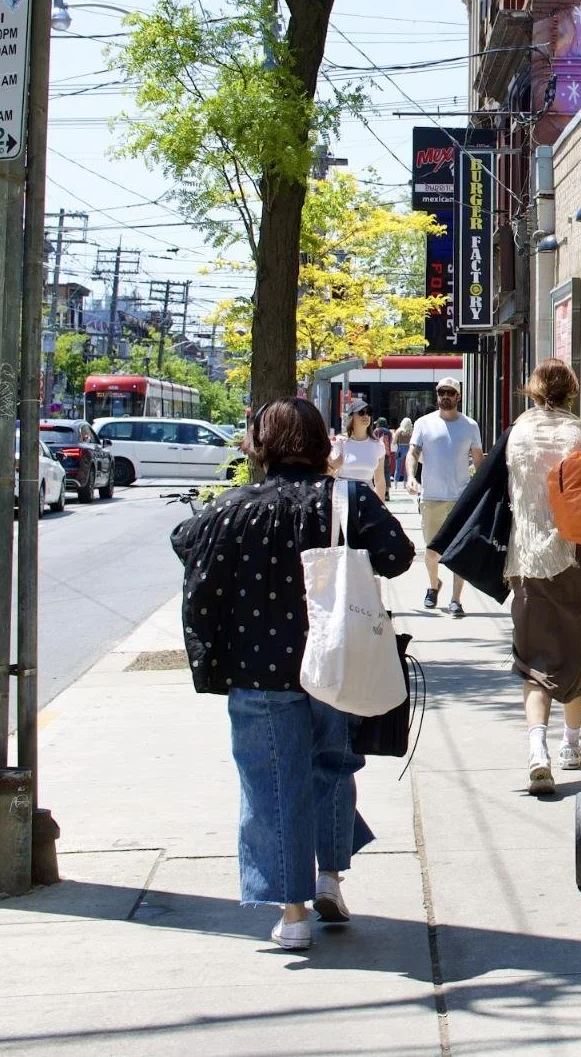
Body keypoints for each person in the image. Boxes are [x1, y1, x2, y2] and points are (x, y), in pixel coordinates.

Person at [171, 398, 416, 951]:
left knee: (271, 787)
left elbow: (185, 544)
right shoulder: (345, 500)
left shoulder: (233, 508)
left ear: (259, 445)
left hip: (261, 672)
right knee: (332, 765)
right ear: (319, 443)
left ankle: (293, 911)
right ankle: (329, 877)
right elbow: (398, 555)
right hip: (337, 662)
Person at [503, 358, 581, 794]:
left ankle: (537, 747)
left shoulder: (516, 434)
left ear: (533, 389)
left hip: (526, 559)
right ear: (573, 390)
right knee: (576, 649)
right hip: (576, 557)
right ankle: (571, 744)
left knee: (533, 661)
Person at [407, 380, 484, 618]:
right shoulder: (424, 423)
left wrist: (480, 489)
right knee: (431, 552)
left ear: (458, 396)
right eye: (441, 392)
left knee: (458, 552)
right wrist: (410, 476)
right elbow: (413, 452)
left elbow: (478, 459)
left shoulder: (469, 425)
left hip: (460, 498)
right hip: (431, 496)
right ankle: (433, 585)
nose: (445, 396)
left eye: (450, 393)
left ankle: (456, 599)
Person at [329, 399, 387, 501]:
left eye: (368, 413)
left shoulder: (378, 445)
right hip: (343, 497)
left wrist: (381, 509)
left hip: (367, 497)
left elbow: (379, 480)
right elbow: (330, 471)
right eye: (361, 412)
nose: (366, 416)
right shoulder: (340, 442)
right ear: (351, 417)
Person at [392, 416, 413, 485]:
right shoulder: (411, 431)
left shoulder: (399, 430)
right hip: (409, 449)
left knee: (398, 468)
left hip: (400, 449)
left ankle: (395, 484)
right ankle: (405, 483)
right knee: (407, 468)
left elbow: (394, 442)